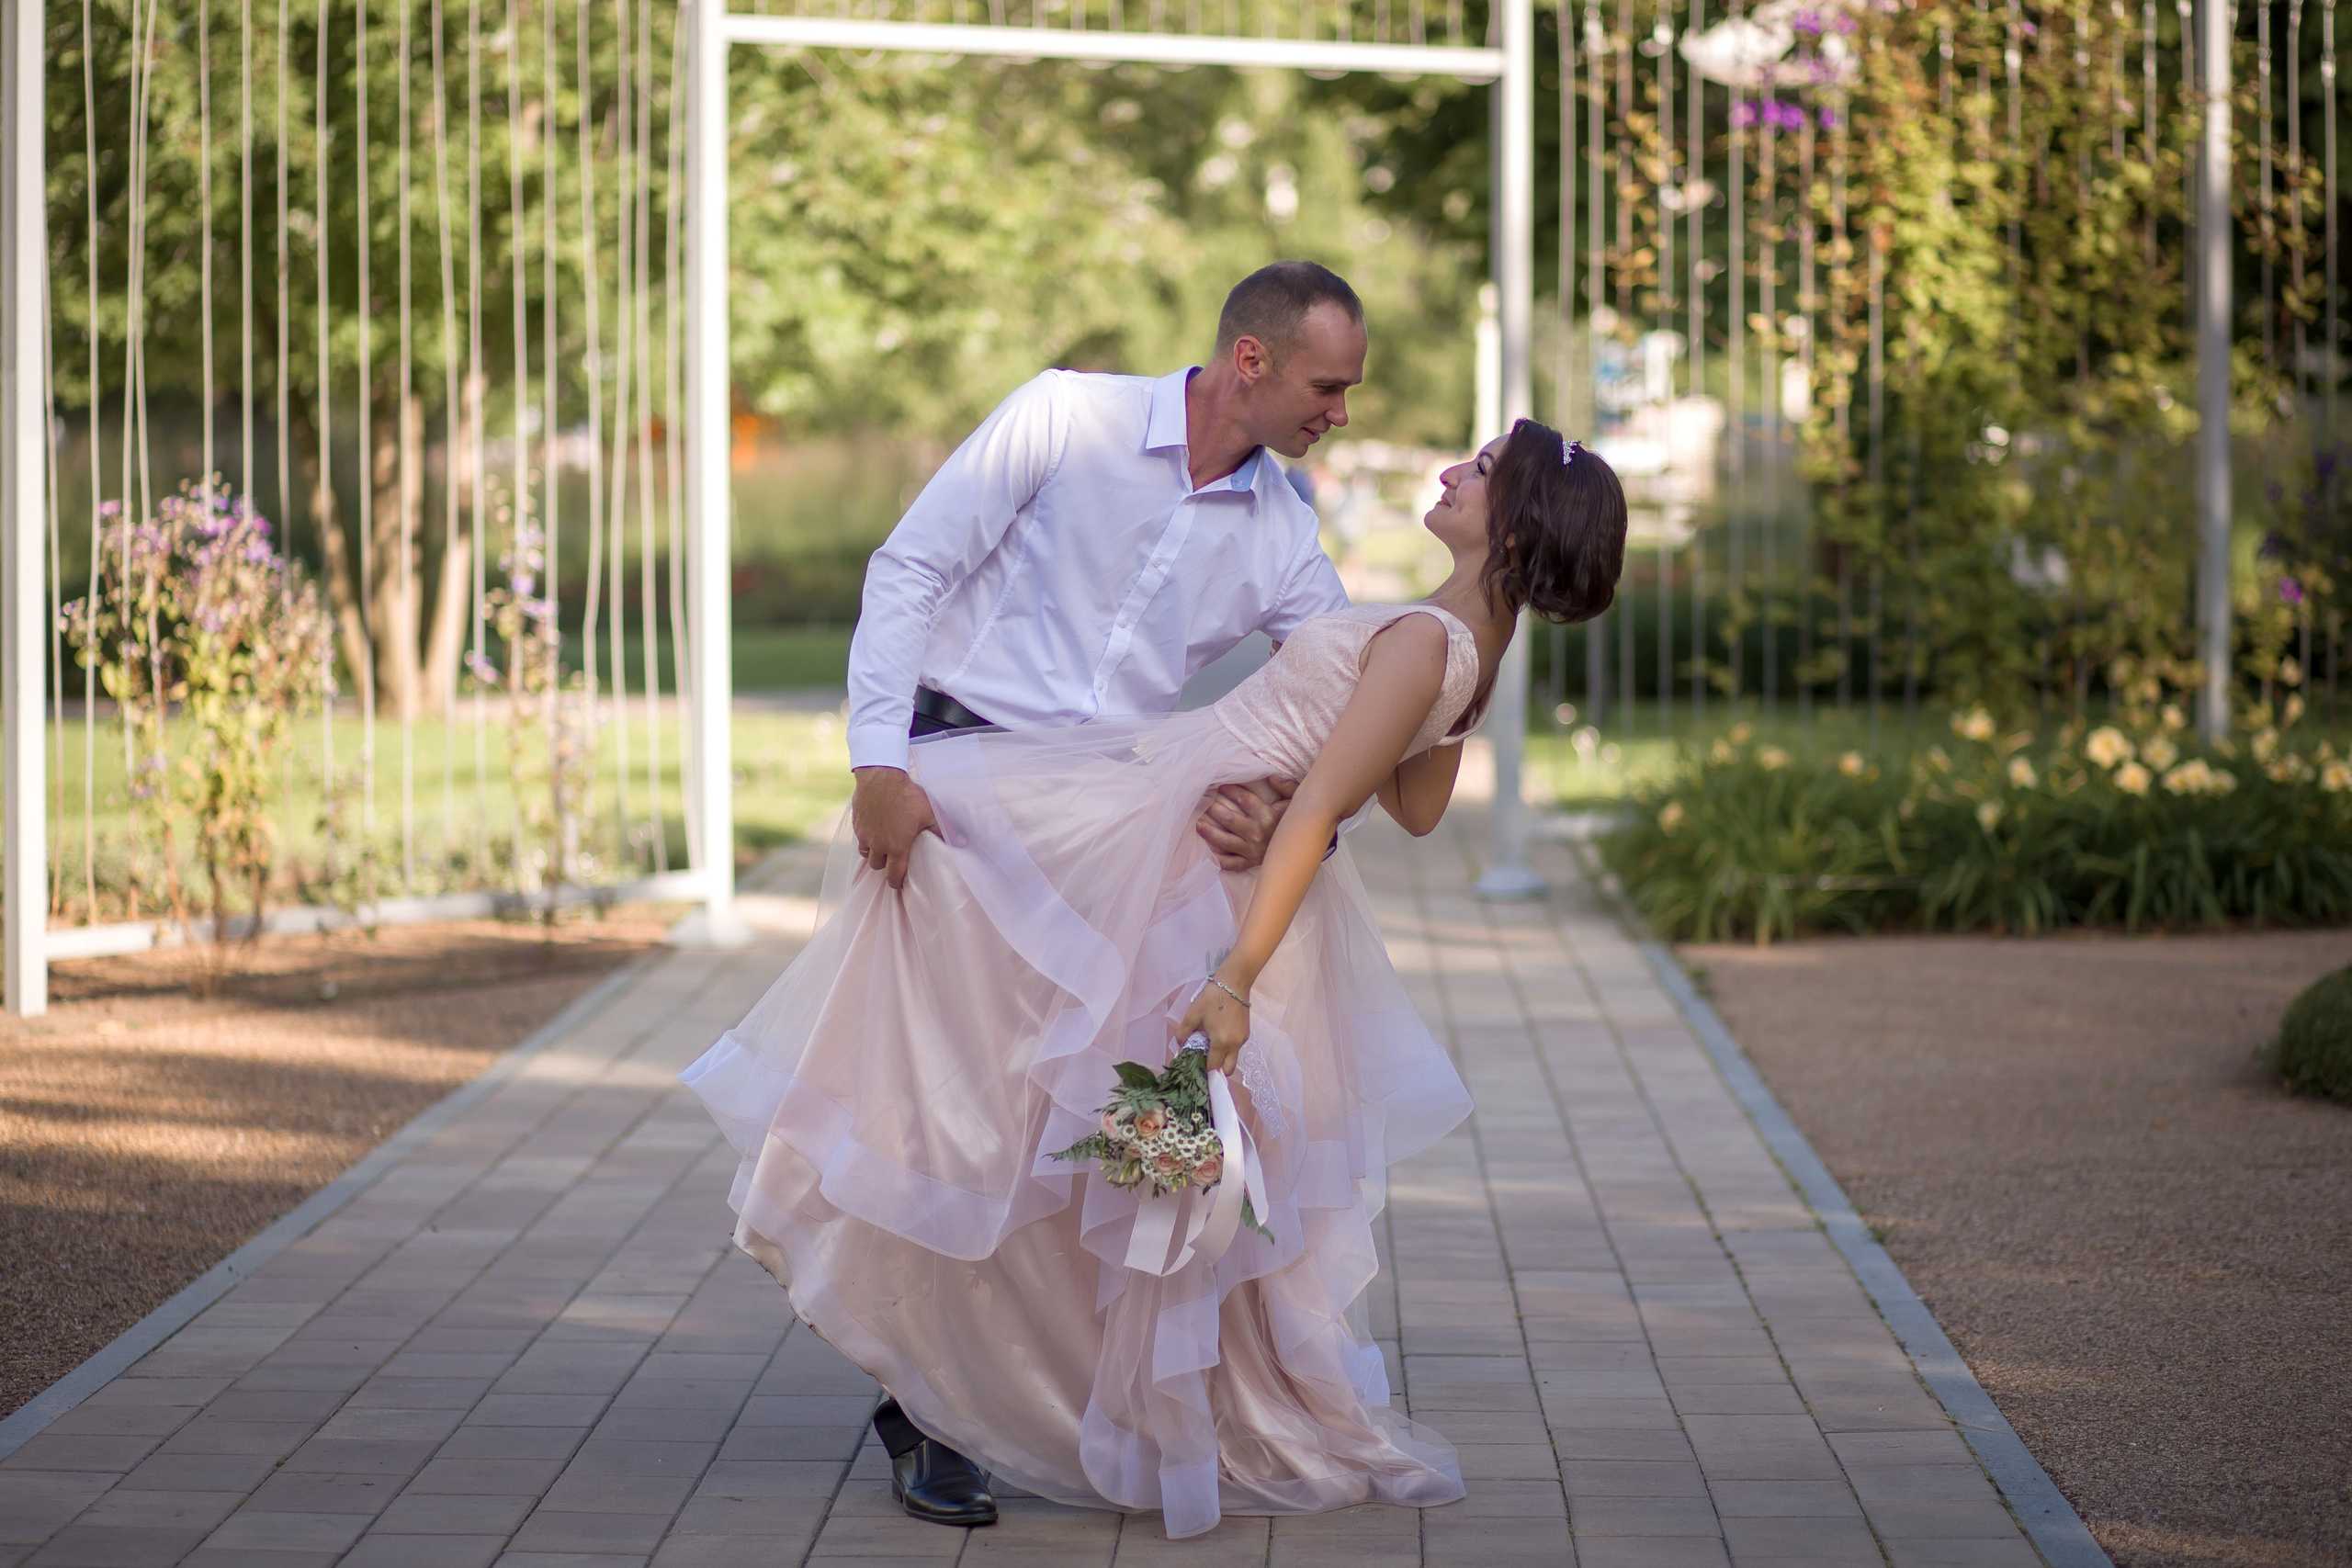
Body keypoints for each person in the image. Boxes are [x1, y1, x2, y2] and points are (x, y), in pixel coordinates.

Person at [681, 414, 1628, 1540]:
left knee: (983, 991)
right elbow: (1415, 809)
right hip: (1181, 822)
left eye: (1475, 474)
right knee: (1023, 1051)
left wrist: (1233, 976)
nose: (1448, 472)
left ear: (1513, 532)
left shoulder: (1431, 640)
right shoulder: (1466, 648)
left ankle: (954, 1345)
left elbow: (1333, 803)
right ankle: (970, 1365)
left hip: (1172, 852)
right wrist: (1315, 780)